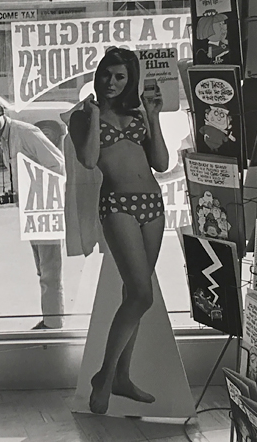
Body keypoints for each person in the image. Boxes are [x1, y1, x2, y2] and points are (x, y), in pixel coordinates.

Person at [68, 47, 169, 414]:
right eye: (107, 74)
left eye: (120, 77)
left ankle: (123, 377)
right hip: (118, 206)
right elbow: (90, 160)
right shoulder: (83, 117)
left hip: (153, 207)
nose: (112, 82)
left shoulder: (136, 114)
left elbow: (160, 162)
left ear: (131, 80)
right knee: (142, 296)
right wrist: (95, 116)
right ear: (98, 75)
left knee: (134, 295)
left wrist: (153, 118)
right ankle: (105, 377)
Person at [0, 96, 65, 330]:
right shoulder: (2, 139)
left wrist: (33, 189)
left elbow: (59, 166)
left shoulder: (26, 133)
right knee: (42, 270)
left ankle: (53, 324)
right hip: (30, 210)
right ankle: (51, 318)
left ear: (0, 110)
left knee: (49, 272)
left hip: (44, 207)